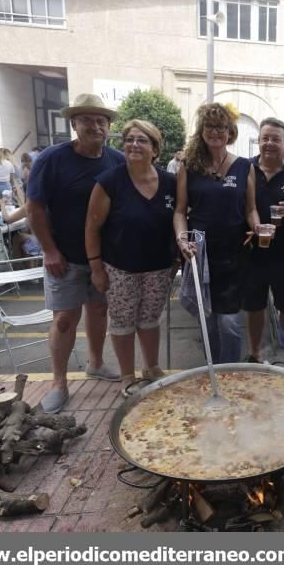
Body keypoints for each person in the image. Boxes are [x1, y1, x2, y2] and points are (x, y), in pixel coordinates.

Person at [27, 93, 124, 414]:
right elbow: (35, 208)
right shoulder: (51, 159)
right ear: (74, 124)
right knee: (66, 320)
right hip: (63, 257)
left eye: (101, 120)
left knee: (98, 312)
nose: (95, 126)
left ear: (108, 126)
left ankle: (95, 363)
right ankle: (58, 382)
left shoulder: (117, 160)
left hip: (104, 257)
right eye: (86, 119)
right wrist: (49, 250)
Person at [85, 119, 177, 391]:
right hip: (120, 267)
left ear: (155, 149)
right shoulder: (109, 181)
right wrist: (96, 268)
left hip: (159, 267)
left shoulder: (171, 182)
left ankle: (151, 367)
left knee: (150, 319)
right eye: (129, 140)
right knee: (123, 322)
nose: (134, 145)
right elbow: (92, 226)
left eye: (142, 140)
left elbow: (179, 219)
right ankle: (127, 375)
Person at [173, 102, 260, 364]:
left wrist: (257, 227)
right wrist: (181, 239)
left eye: (222, 127)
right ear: (201, 130)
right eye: (210, 126)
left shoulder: (245, 166)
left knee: (230, 323)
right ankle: (213, 371)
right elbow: (179, 211)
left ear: (230, 131)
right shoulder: (188, 166)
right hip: (200, 252)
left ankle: (230, 373)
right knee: (208, 320)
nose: (216, 132)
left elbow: (251, 209)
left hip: (234, 253)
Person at [242, 117, 284, 369]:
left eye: (275, 139)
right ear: (258, 141)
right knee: (254, 306)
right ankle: (255, 353)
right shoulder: (245, 168)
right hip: (252, 254)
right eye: (265, 138)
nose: (269, 143)